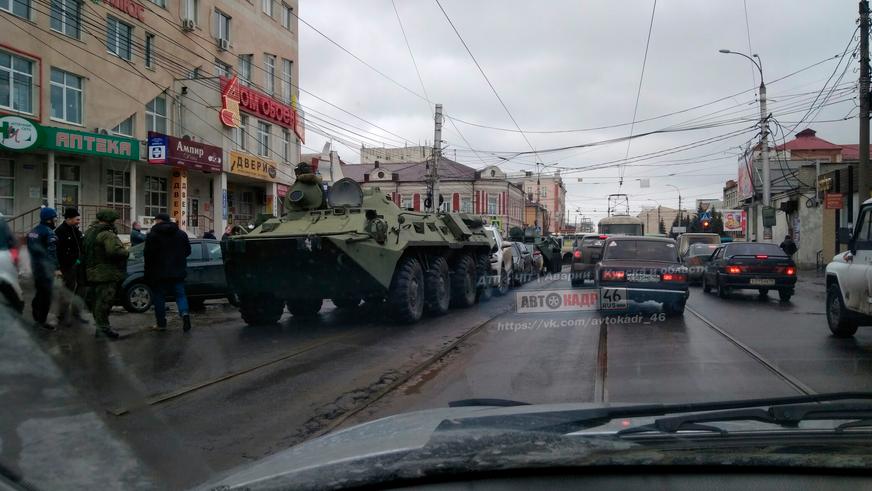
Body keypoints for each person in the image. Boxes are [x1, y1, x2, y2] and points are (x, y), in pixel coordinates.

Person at [83, 209, 129, 340]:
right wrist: (126, 252)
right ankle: (103, 330)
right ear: (111, 221)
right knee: (104, 301)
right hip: (105, 273)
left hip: (92, 271)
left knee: (97, 301)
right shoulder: (106, 234)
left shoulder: (90, 231)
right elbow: (114, 251)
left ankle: (101, 327)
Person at [145, 213, 192, 332]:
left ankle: (161, 324)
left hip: (159, 273)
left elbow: (148, 255)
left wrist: (148, 272)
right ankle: (185, 313)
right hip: (178, 271)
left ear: (159, 220)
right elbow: (187, 251)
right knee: (180, 295)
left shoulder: (152, 235)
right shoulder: (181, 234)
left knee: (159, 298)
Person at [27, 207, 59, 330]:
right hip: (46, 269)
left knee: (40, 291)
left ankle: (36, 312)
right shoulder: (49, 232)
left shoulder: (33, 231)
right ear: (49, 220)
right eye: (54, 218)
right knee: (46, 295)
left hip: (36, 267)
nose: (55, 221)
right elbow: (51, 253)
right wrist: (55, 268)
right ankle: (41, 321)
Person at [55, 207, 87, 326]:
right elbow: (56, 251)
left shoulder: (76, 230)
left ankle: (76, 314)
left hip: (79, 264)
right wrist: (58, 268)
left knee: (82, 289)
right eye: (77, 219)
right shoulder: (60, 231)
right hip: (67, 267)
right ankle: (62, 317)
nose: (79, 221)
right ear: (68, 219)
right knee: (67, 291)